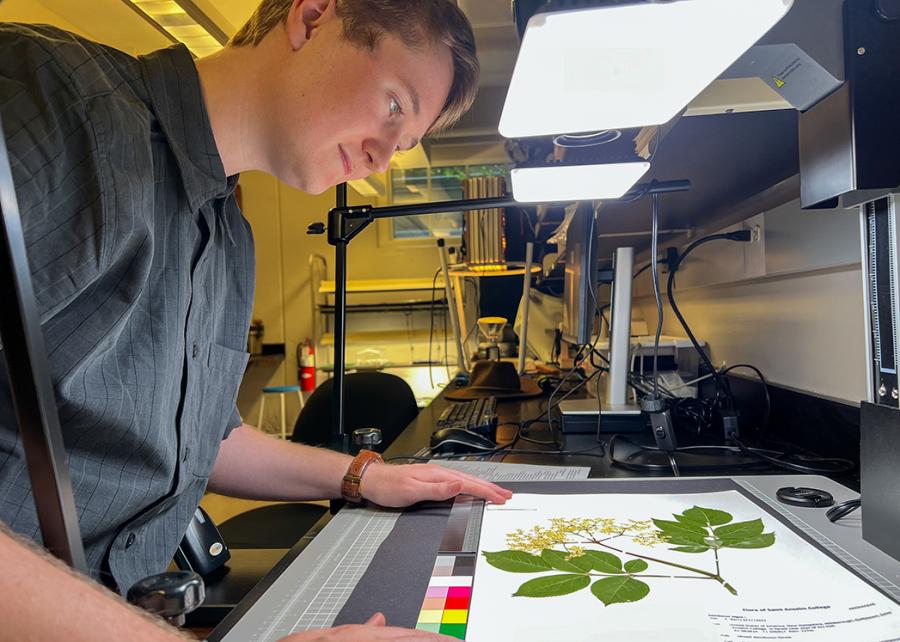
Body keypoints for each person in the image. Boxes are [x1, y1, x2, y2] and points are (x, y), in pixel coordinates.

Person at [0, 1, 511, 640]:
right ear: (314, 17)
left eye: (403, 144)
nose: (383, 157)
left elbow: (205, 440)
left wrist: (366, 476)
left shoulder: (229, 240)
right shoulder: (50, 100)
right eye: (392, 106)